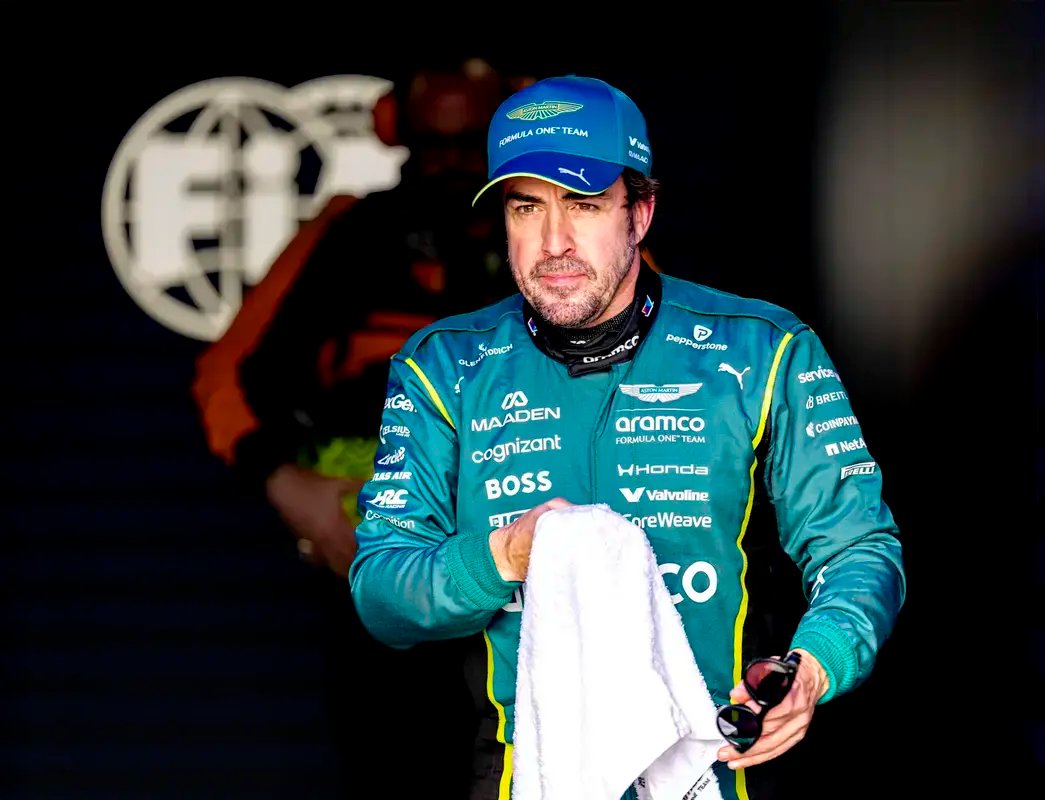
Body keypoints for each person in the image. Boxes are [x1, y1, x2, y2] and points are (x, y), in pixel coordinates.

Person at [348, 74, 906, 799]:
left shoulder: (762, 351)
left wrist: (816, 665)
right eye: (526, 207)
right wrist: (503, 556)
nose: (553, 242)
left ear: (640, 212)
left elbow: (857, 546)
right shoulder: (443, 367)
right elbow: (381, 592)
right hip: (520, 770)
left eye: (583, 204)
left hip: (723, 762)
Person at [190, 57, 524, 798]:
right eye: (433, 146)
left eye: (470, 144)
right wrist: (287, 484)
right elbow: (225, 376)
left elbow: (664, 369)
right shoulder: (349, 232)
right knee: (394, 767)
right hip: (384, 564)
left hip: (535, 578)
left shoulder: (566, 229)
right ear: (395, 131)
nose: (451, 165)